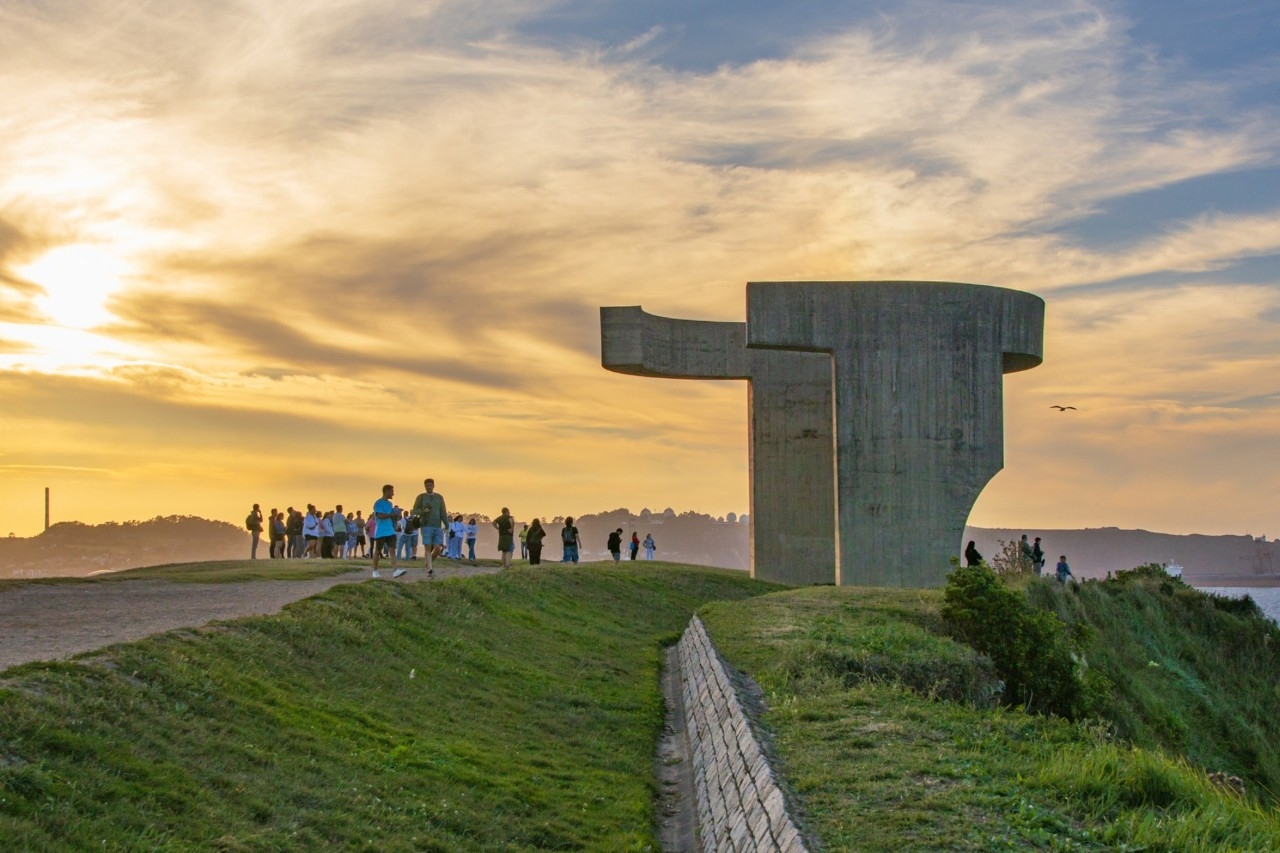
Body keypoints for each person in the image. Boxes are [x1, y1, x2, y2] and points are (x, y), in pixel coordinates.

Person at [411, 478, 448, 578]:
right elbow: (414, 511)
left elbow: (443, 512)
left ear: (433, 486)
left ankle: (428, 562)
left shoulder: (439, 497)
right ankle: (430, 570)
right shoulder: (421, 497)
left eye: (430, 485)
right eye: (426, 486)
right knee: (427, 547)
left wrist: (447, 525)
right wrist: (423, 511)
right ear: (425, 486)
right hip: (426, 525)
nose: (428, 487)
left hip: (437, 526)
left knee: (437, 548)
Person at [371, 484, 403, 578]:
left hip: (390, 531)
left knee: (392, 550)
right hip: (381, 531)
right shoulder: (378, 503)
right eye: (392, 491)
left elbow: (391, 516)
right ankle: (375, 571)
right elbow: (380, 515)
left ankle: (395, 570)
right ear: (387, 491)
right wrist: (392, 514)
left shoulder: (390, 504)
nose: (393, 493)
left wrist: (397, 515)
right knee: (377, 551)